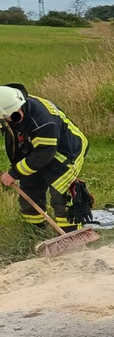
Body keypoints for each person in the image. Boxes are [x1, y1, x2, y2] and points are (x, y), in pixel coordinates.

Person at [0, 84, 90, 233]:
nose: (10, 120)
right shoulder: (13, 105)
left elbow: (43, 154)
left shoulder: (44, 122)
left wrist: (13, 173)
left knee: (60, 194)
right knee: (29, 187)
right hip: (35, 149)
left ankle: (71, 234)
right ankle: (35, 232)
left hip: (66, 152)